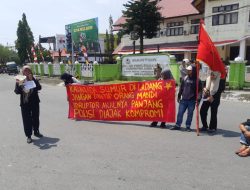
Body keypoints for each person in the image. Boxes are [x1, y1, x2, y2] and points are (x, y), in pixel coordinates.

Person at [14, 65, 43, 144]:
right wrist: (20, 85)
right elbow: (16, 91)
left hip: (34, 101)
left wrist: (33, 80)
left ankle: (36, 131)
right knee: (27, 119)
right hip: (25, 103)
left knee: (35, 117)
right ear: (22, 72)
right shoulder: (19, 80)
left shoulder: (33, 78)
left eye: (28, 70)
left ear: (30, 71)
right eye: (25, 71)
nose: (27, 72)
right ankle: (29, 136)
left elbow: (39, 87)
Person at [170, 65, 202, 132]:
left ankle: (188, 126)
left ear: (193, 71)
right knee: (180, 113)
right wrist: (179, 96)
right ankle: (178, 125)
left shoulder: (197, 80)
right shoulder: (185, 78)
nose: (188, 71)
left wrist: (198, 99)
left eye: (189, 70)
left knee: (190, 114)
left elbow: (200, 91)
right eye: (187, 70)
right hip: (184, 99)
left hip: (192, 100)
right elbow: (181, 88)